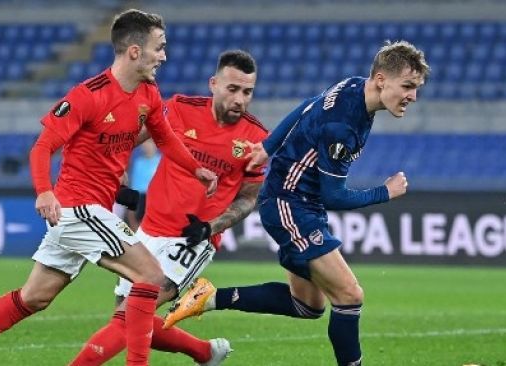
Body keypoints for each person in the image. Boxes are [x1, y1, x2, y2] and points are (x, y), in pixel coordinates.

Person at [0, 9, 217, 366]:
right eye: (159, 47)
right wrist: (43, 190)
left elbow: (165, 138)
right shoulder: (88, 95)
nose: (164, 56)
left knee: (35, 297)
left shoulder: (148, 94)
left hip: (86, 213)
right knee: (151, 276)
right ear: (133, 51)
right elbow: (42, 147)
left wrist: (197, 169)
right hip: (79, 209)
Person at [164, 41, 430, 366]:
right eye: (407, 86)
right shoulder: (342, 128)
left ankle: (210, 297)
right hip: (290, 204)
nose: (413, 96)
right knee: (350, 295)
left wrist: (267, 145)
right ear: (380, 79)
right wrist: (384, 192)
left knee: (308, 306)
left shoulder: (352, 85)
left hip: (297, 201)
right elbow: (334, 195)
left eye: (416, 88)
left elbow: (307, 105)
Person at [69, 50, 268, 366]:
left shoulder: (256, 138)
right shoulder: (179, 109)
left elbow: (248, 198)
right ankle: (206, 352)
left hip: (191, 241)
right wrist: (116, 179)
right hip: (148, 230)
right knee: (135, 319)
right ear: (214, 84)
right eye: (232, 89)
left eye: (247, 92)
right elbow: (123, 140)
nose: (240, 100)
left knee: (128, 316)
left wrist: (209, 228)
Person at [125, 139, 161, 231]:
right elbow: (132, 186)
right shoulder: (138, 162)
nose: (147, 146)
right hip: (139, 199)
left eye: (150, 143)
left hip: (156, 199)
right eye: (145, 143)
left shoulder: (162, 161)